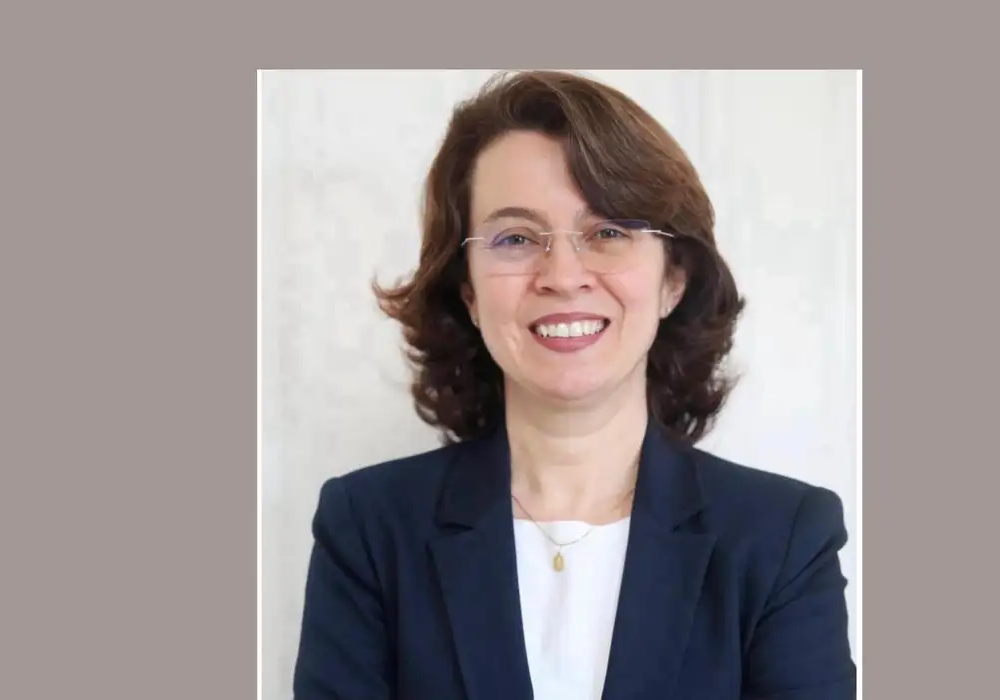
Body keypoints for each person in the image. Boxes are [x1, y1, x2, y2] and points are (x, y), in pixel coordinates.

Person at [292, 70, 856, 700]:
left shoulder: (783, 540)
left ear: (673, 279)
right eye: (515, 238)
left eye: (608, 232)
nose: (563, 275)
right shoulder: (369, 530)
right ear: (469, 290)